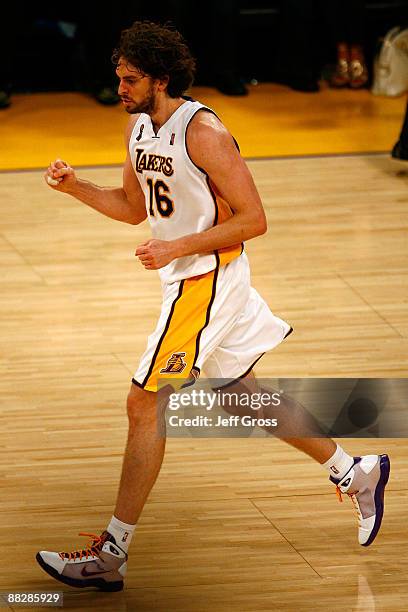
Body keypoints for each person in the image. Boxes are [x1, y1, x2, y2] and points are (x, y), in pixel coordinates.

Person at [36, 21, 390, 592]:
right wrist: (75, 186)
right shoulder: (137, 129)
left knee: (143, 402)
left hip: (208, 279)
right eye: (118, 78)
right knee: (239, 395)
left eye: (130, 79)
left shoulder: (202, 132)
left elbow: (254, 218)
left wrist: (176, 245)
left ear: (161, 77)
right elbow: (132, 208)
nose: (120, 88)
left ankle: (111, 553)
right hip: (193, 276)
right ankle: (355, 473)